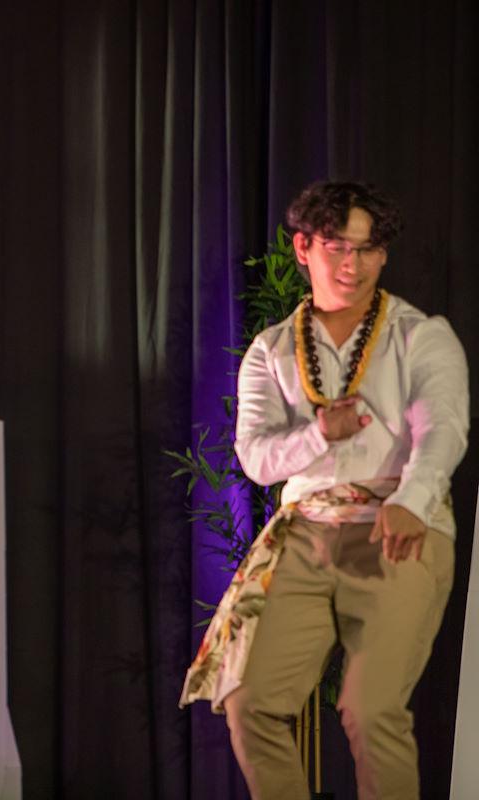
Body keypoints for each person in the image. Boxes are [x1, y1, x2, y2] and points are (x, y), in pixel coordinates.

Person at [180, 181, 469, 799]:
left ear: (383, 256)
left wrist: (411, 503)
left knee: (369, 711)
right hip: (305, 534)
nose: (352, 264)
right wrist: (318, 433)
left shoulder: (421, 335)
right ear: (303, 247)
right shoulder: (272, 350)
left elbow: (442, 429)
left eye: (367, 250)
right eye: (337, 246)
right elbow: (256, 459)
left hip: (397, 528)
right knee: (249, 701)